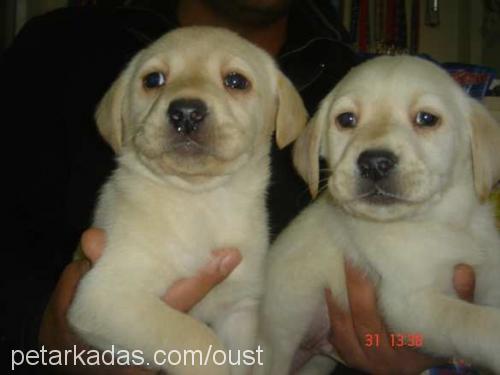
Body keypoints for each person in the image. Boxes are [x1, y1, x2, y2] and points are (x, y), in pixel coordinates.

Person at [1, 0, 475, 373]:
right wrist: (46, 346)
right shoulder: (59, 48)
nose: (187, 105)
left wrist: (406, 346)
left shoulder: (351, 89)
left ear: (281, 116)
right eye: (155, 80)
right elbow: (91, 307)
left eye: (233, 80)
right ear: (119, 115)